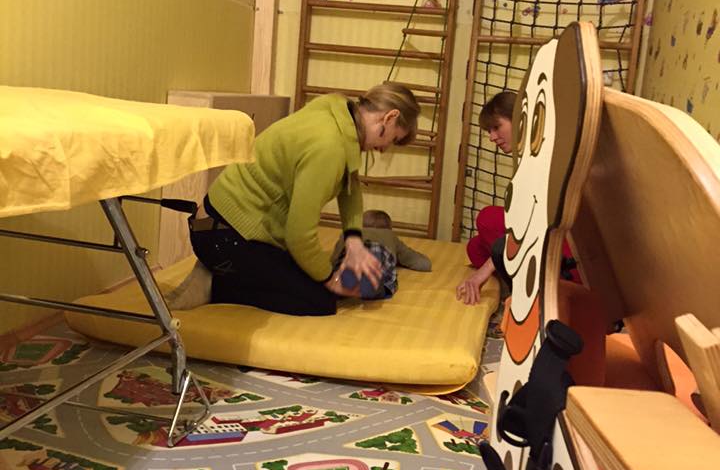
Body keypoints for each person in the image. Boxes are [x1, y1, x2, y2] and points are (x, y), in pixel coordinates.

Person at [168, 83, 420, 316]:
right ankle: (217, 283)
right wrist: (330, 280)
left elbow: (350, 187)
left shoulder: (336, 111)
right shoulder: (329, 146)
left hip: (216, 224)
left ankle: (222, 268)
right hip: (225, 236)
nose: (385, 149)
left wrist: (354, 240)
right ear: (390, 117)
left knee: (310, 278)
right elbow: (299, 236)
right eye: (393, 139)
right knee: (320, 301)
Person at [456, 89, 578, 305]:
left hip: (564, 246)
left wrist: (483, 273)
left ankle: (535, 287)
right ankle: (515, 274)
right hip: (536, 238)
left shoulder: (546, 154)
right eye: (489, 131)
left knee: (487, 218)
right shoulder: (526, 157)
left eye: (496, 127)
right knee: (474, 248)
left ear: (520, 119)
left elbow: (534, 226)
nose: (492, 137)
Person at [330, 208, 432, 299]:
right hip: (378, 257)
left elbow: (333, 260)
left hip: (351, 260)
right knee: (380, 260)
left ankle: (345, 282)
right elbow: (422, 263)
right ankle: (373, 282)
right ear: (389, 228)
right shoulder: (390, 235)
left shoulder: (349, 235)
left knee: (343, 263)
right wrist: (398, 258)